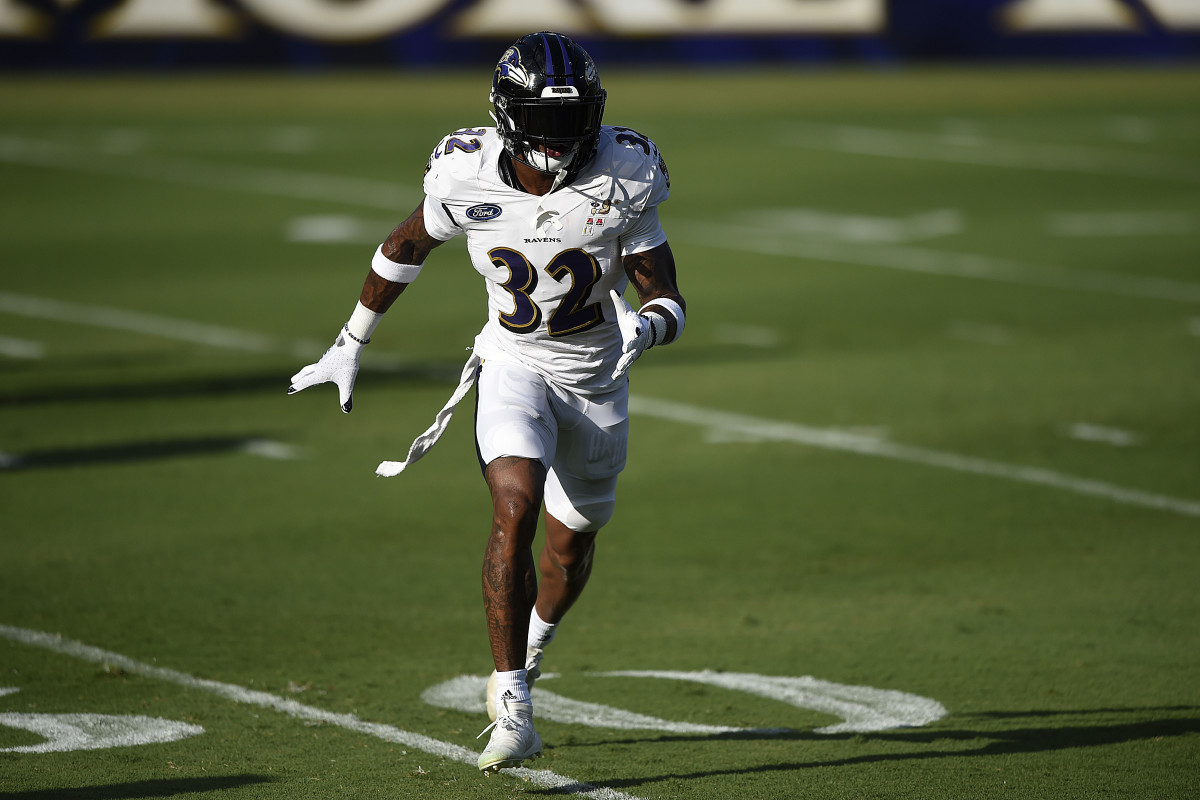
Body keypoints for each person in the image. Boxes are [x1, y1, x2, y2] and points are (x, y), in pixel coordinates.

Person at [288, 31, 685, 773]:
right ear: (508, 116)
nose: (566, 140)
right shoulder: (464, 172)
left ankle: (533, 649)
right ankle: (512, 705)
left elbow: (664, 290)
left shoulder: (625, 171)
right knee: (514, 506)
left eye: (577, 120)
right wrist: (352, 340)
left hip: (597, 378)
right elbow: (406, 245)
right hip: (513, 363)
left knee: (572, 546)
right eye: (548, 121)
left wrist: (651, 325)